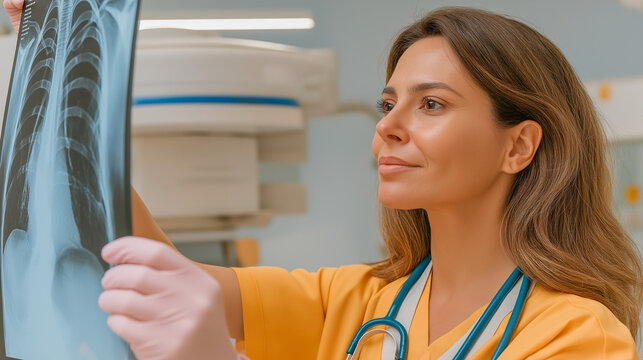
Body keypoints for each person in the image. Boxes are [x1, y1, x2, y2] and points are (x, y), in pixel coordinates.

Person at [4, 2, 643, 359]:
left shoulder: (577, 336)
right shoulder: (360, 301)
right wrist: (59, 78)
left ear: (519, 146)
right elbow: (156, 274)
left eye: (431, 105)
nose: (389, 126)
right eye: (387, 103)